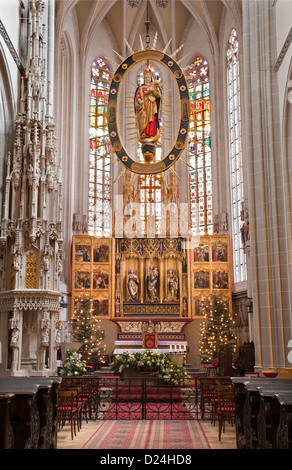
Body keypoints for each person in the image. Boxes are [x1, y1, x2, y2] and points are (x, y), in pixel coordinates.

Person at [134, 67, 161, 143]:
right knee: (144, 118)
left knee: (152, 119)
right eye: (146, 77)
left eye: (149, 77)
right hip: (144, 105)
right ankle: (144, 133)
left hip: (152, 105)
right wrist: (139, 101)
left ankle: (152, 133)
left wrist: (153, 90)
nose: (147, 79)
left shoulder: (154, 87)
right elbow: (138, 95)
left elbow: (158, 96)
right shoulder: (141, 87)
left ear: (151, 78)